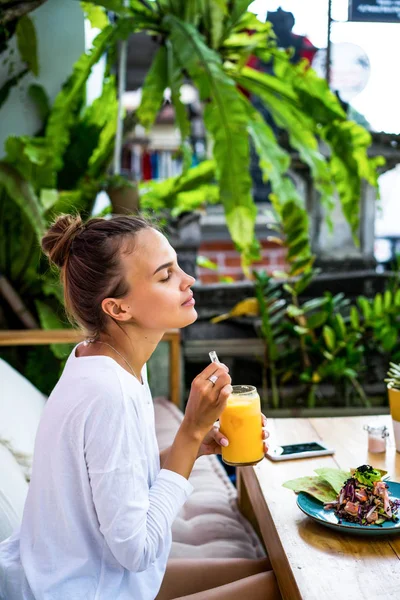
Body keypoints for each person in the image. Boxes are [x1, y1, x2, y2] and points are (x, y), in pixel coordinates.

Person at [0, 214, 281, 600]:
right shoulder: (107, 393)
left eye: (178, 266)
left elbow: (119, 480)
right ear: (117, 309)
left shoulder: (103, 358)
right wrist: (191, 431)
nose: (188, 280)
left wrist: (195, 443)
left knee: (280, 570)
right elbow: (136, 550)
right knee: (290, 588)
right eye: (165, 276)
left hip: (91, 577)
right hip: (82, 590)